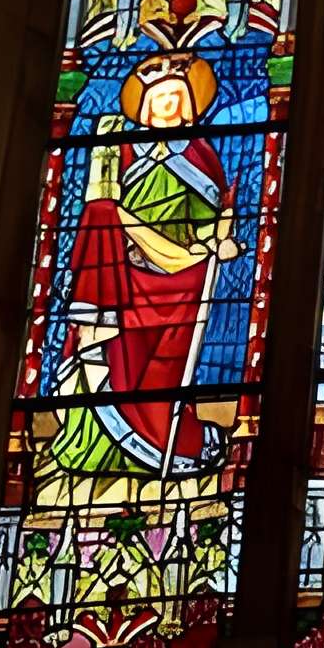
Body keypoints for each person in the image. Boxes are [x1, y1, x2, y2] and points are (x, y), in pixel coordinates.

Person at [52, 54, 238, 478]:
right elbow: (101, 210)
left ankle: (161, 439)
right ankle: (96, 449)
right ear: (144, 106)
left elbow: (208, 218)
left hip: (183, 280)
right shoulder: (121, 147)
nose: (167, 107)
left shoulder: (201, 155)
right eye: (159, 99)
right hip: (122, 275)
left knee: (165, 369)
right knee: (115, 357)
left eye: (176, 98)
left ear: (191, 106)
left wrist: (216, 240)